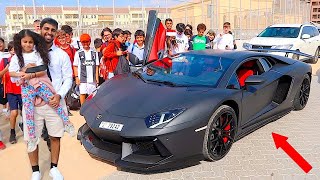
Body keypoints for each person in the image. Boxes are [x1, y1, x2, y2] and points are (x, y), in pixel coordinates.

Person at [21, 18, 73, 180]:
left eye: (52, 30)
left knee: (55, 136)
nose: (49, 33)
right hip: (33, 103)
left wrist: (59, 95)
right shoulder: (29, 52)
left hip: (54, 102)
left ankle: (54, 168)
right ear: (40, 30)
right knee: (31, 137)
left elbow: (68, 78)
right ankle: (35, 171)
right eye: (46, 29)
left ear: (56, 33)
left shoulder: (62, 55)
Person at [9, 29, 75, 152]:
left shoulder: (37, 54)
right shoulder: (16, 57)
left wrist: (30, 73)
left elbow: (42, 70)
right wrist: (23, 72)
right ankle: (32, 139)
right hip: (26, 88)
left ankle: (67, 123)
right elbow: (11, 72)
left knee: (53, 102)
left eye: (30, 42)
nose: (27, 44)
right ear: (20, 42)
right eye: (25, 42)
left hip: (39, 84)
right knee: (28, 113)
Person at [0, 41, 21, 144]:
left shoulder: (22, 60)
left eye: (15, 49)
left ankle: (27, 130)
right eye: (11, 49)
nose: (13, 51)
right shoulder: (5, 61)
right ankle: (12, 132)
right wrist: (6, 68)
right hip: (11, 91)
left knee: (25, 112)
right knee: (14, 112)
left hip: (22, 90)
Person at [73, 34, 99, 105]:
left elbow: (96, 66)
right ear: (81, 43)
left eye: (87, 42)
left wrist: (97, 77)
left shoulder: (94, 52)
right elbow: (75, 66)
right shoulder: (78, 53)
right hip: (82, 78)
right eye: (83, 42)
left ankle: (92, 108)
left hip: (92, 78)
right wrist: (77, 77)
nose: (85, 44)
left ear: (90, 42)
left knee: (92, 94)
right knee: (82, 93)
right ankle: (83, 109)